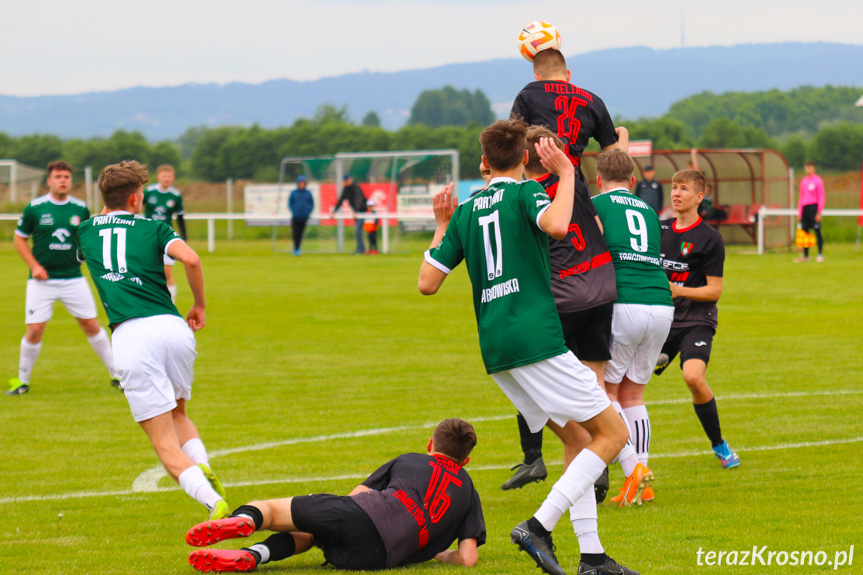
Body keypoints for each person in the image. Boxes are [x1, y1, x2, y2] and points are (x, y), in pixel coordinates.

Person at [419, 119, 640, 575]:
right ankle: (538, 526)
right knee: (615, 435)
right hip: (536, 337)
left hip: (498, 350)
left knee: (580, 442)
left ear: (482, 163)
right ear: (524, 160)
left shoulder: (464, 213)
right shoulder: (525, 193)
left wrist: (441, 226)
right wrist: (566, 175)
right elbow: (558, 225)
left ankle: (593, 557)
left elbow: (427, 283)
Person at [77, 160, 230, 520]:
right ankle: (203, 465)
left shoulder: (85, 231)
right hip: (173, 328)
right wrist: (200, 305)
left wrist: (111, 200)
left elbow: (104, 220)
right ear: (135, 199)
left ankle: (213, 504)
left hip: (132, 334)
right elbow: (190, 259)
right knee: (179, 412)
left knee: (163, 443)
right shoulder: (155, 227)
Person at [505, 48, 626, 498]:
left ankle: (536, 455)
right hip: (600, 279)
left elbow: (510, 142)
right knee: (593, 378)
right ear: (568, 72)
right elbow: (613, 155)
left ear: (535, 73)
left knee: (540, 374)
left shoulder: (531, 193)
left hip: (562, 291)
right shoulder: (591, 99)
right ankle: (598, 465)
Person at [185, 418, 485, 573]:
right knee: (314, 534)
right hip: (375, 558)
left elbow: (357, 495)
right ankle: (253, 556)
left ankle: (243, 521)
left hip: (362, 516)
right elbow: (468, 558)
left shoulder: (411, 459)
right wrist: (444, 554)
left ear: (430, 443)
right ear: (466, 461)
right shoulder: (469, 491)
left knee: (272, 510)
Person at [591, 149, 674, 504]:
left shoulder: (596, 205)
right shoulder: (650, 211)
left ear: (598, 180)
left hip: (625, 302)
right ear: (634, 182)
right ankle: (641, 480)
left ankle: (633, 470)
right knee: (634, 395)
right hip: (661, 303)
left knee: (605, 393)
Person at [654, 169, 741, 469]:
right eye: (674, 188)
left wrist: (679, 290)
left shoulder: (710, 238)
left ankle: (720, 446)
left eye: (684, 189)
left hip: (696, 321)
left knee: (693, 377)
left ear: (700, 197)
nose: (676, 193)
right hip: (660, 320)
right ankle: (617, 445)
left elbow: (715, 290)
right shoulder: (660, 230)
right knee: (620, 377)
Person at [8, 160, 118, 396]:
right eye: (58, 177)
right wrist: (34, 266)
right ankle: (22, 381)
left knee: (90, 324)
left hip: (73, 279)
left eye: (66, 177)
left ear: (70, 181)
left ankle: (117, 375)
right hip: (41, 282)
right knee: (35, 329)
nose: (62, 180)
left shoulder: (80, 208)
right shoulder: (34, 208)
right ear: (49, 181)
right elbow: (19, 239)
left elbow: (90, 237)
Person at [143, 164, 186, 302]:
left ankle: (170, 304)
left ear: (173, 178)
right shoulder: (149, 191)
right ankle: (149, 301)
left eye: (169, 176)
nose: (166, 179)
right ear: (158, 177)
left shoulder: (175, 195)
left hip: (165, 237)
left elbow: (180, 217)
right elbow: (134, 207)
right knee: (147, 271)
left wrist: (184, 237)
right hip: (147, 236)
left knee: (167, 272)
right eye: (164, 176)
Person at [795, 161, 825, 262]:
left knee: (817, 230)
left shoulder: (818, 181)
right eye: (806, 168)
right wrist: (799, 213)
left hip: (814, 207)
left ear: (814, 169)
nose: (808, 170)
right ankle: (806, 255)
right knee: (805, 232)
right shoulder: (803, 181)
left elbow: (821, 196)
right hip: (805, 208)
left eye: (810, 168)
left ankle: (820, 253)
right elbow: (801, 197)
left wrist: (819, 211)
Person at [332, 173, 367, 254]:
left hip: (362, 211)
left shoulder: (356, 187)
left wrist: (357, 211)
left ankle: (361, 249)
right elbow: (340, 201)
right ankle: (361, 248)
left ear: (351, 179)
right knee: (358, 231)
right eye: (345, 181)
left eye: (347, 180)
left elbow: (359, 199)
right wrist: (334, 211)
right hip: (356, 212)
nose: (346, 182)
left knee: (358, 230)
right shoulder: (346, 189)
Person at [288, 175, 314, 256]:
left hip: (304, 217)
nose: (302, 184)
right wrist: (294, 212)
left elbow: (312, 204)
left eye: (303, 183)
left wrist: (308, 212)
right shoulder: (294, 192)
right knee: (295, 233)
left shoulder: (308, 193)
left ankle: (298, 248)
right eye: (301, 183)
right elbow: (290, 203)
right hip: (295, 217)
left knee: (301, 233)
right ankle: (295, 248)